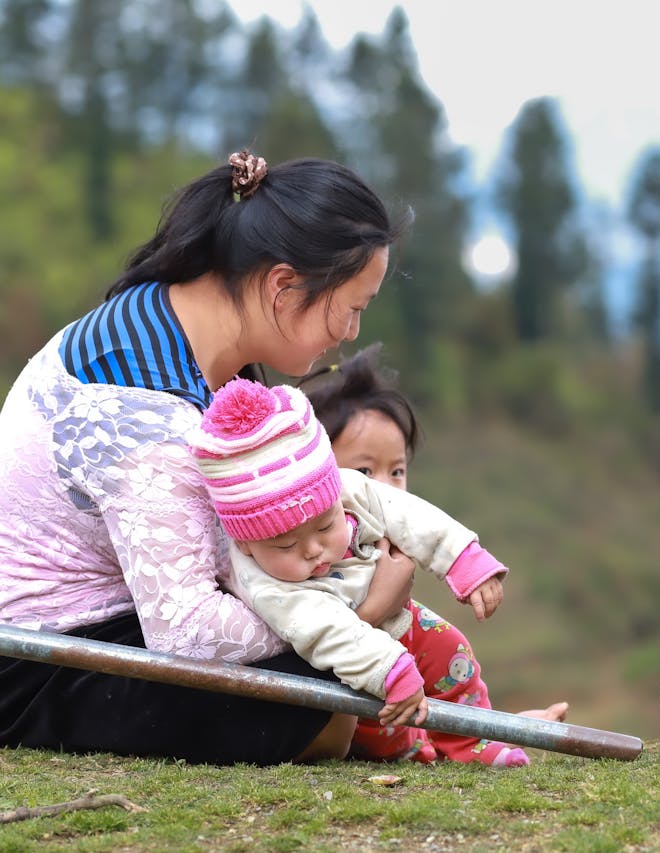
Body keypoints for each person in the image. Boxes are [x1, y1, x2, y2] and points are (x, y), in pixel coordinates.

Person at [0, 150, 419, 765]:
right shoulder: (144, 409)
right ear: (282, 286)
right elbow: (187, 634)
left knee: (334, 615)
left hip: (121, 614)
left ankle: (468, 726)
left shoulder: (178, 323)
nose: (352, 332)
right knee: (319, 677)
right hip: (38, 658)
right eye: (351, 308)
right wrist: (360, 611)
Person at [190, 377, 531, 767]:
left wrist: (464, 560)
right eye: (286, 545)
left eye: (325, 526)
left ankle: (474, 744)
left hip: (400, 618)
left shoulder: (348, 489)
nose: (313, 549)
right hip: (355, 661)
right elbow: (326, 631)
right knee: (379, 721)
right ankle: (414, 750)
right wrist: (390, 670)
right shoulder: (266, 586)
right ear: (246, 544)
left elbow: (407, 513)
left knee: (451, 651)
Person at [299, 344, 569, 764]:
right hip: (343, 654)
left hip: (400, 630)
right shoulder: (301, 539)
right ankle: (434, 747)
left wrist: (469, 567)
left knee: (448, 648)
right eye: (365, 471)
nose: (384, 487)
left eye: (397, 470)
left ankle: (478, 739)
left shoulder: (394, 516)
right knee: (385, 715)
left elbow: (433, 533)